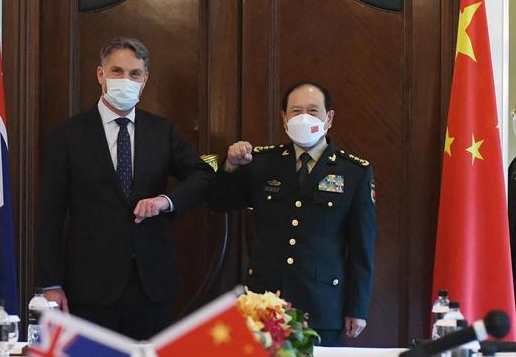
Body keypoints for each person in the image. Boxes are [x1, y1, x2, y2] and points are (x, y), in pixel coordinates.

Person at [35, 37, 214, 340]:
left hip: (151, 285)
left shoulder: (162, 131)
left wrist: (165, 200)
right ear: (100, 75)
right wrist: (50, 284)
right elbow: (49, 214)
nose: (125, 80)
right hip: (89, 287)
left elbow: (201, 176)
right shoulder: (68, 135)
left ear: (145, 80)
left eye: (134, 74)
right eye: (117, 71)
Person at [209, 81, 377, 346]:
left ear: (329, 118)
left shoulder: (354, 172)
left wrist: (357, 307)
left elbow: (361, 246)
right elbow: (219, 202)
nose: (304, 117)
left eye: (313, 110)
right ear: (284, 118)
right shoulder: (262, 163)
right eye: (296, 111)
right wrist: (230, 166)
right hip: (264, 304)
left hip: (322, 306)